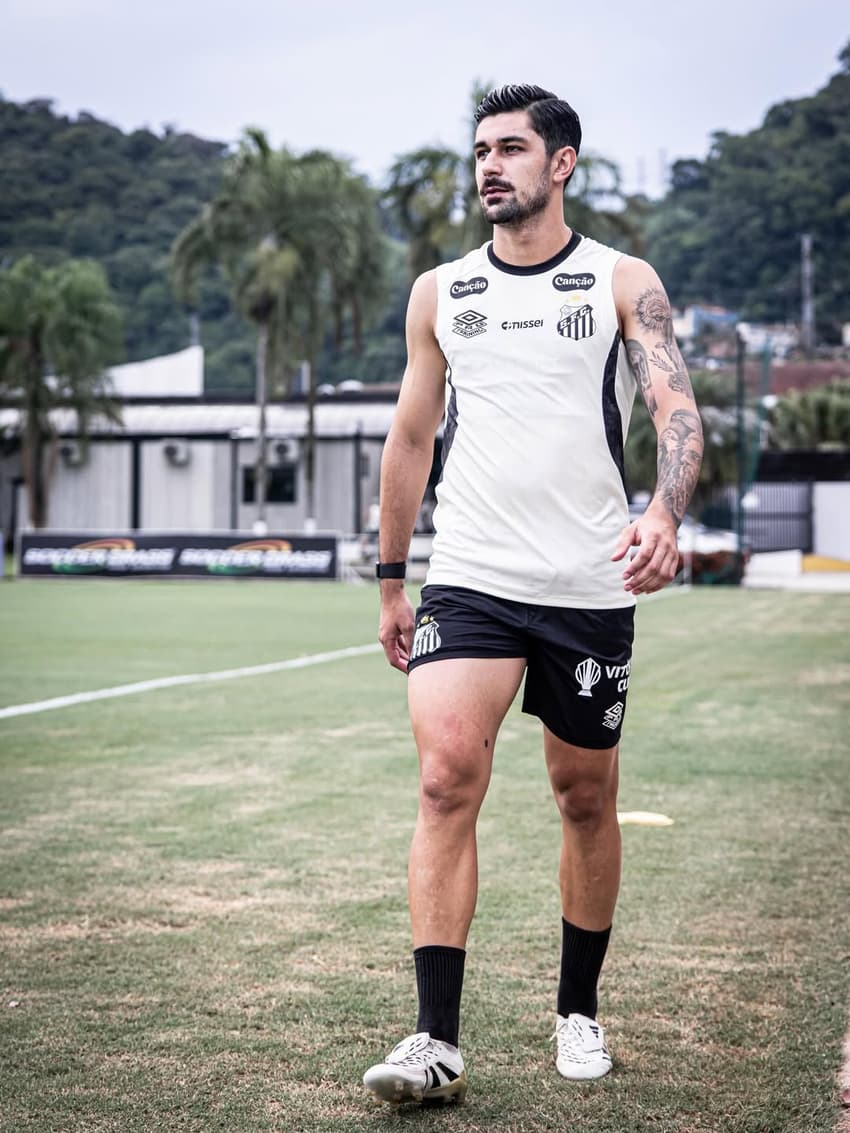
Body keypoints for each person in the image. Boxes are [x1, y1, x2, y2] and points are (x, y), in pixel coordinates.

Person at [363, 83, 703, 1106]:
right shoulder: (440, 292)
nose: (489, 167)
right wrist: (391, 578)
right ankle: (434, 1039)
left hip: (588, 583)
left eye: (511, 148)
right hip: (470, 575)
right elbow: (410, 438)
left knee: (583, 795)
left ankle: (577, 1009)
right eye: (480, 150)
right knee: (444, 778)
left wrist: (664, 510)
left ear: (560, 164)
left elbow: (673, 408)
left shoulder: (620, 280)